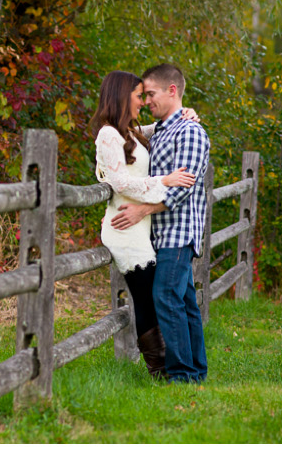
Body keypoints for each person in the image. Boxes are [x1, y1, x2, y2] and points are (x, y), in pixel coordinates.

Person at [89, 71, 196, 380]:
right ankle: (159, 370)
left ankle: (166, 368)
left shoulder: (131, 133)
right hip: (124, 227)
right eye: (139, 96)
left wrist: (184, 113)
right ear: (123, 97)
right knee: (147, 299)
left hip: (140, 227)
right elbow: (120, 180)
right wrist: (165, 181)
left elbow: (162, 126)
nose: (144, 102)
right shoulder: (108, 135)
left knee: (151, 297)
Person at [112, 63, 211, 383]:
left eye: (151, 94)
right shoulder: (165, 129)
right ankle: (195, 372)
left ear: (172, 91)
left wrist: (142, 211)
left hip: (178, 231)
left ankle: (181, 375)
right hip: (161, 232)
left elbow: (183, 187)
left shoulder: (190, 131)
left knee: (166, 297)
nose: (147, 101)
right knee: (183, 302)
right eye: (142, 95)